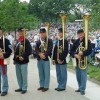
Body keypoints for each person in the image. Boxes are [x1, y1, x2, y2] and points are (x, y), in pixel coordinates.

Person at [70, 29, 92, 95]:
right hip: (77, 61)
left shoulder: (87, 41)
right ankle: (80, 87)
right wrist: (75, 55)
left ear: (84, 33)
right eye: (79, 33)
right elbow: (71, 51)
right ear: (77, 34)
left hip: (84, 61)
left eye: (81, 33)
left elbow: (90, 50)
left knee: (83, 76)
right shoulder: (76, 42)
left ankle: (82, 89)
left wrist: (82, 52)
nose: (80, 34)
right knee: (78, 76)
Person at [13, 27, 32, 94]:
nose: (20, 33)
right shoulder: (18, 40)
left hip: (23, 61)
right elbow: (15, 51)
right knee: (18, 75)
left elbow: (29, 51)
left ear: (23, 32)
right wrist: (14, 59)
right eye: (19, 32)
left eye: (21, 32)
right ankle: (20, 87)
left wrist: (23, 57)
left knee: (24, 75)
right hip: (17, 60)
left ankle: (24, 88)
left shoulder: (26, 41)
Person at [36, 28, 53, 92]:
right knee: (41, 73)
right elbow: (36, 49)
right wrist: (39, 54)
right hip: (39, 59)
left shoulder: (49, 40)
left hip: (46, 59)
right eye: (41, 33)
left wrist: (44, 55)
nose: (42, 34)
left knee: (46, 73)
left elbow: (50, 49)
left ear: (45, 33)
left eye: (43, 33)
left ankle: (46, 86)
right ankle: (41, 85)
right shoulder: (38, 41)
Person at [0, 27, 12, 96]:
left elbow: (10, 50)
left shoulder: (6, 40)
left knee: (4, 75)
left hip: (2, 61)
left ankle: (5, 90)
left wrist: (4, 55)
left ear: (1, 31)